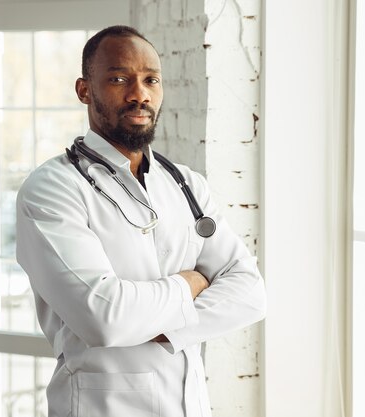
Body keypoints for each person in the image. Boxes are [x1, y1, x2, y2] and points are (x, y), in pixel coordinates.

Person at [16, 25, 266, 417]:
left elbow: (250, 293)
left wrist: (162, 327)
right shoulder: (52, 189)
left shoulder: (186, 184)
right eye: (119, 79)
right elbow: (104, 318)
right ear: (84, 90)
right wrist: (192, 282)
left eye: (151, 80)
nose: (139, 94)